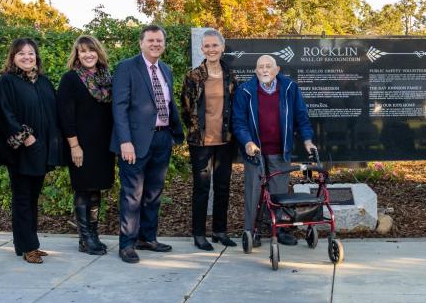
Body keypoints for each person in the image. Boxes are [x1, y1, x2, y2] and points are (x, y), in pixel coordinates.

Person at [110, 25, 184, 264]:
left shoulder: (166, 69)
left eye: (159, 40)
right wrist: (125, 141)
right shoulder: (126, 67)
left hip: (162, 138)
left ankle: (147, 238)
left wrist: (174, 134)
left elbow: (169, 103)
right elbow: (119, 107)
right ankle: (127, 245)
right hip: (134, 142)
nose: (156, 44)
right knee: (132, 195)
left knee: (154, 193)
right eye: (151, 40)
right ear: (141, 43)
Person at [0, 38, 64, 264]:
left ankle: (27, 243)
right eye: (21, 54)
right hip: (21, 150)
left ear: (36, 57)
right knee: (22, 198)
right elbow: (2, 113)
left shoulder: (42, 82)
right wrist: (26, 137)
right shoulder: (6, 82)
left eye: (31, 53)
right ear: (13, 57)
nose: (27, 57)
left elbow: (53, 111)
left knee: (32, 198)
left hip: (40, 149)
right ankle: (28, 246)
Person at [232, 54, 316, 247]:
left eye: (268, 66)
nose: (264, 70)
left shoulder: (289, 88)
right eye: (260, 66)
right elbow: (238, 122)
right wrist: (247, 142)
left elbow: (301, 116)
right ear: (255, 71)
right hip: (255, 153)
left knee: (279, 193)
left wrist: (307, 140)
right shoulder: (245, 91)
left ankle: (279, 230)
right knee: (255, 192)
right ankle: (252, 231)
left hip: (280, 151)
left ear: (277, 70)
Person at [57, 35, 115, 256]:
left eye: (91, 50)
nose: (88, 54)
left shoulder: (106, 77)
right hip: (81, 145)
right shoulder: (70, 79)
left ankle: (93, 234)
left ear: (98, 52)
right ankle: (85, 237)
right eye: (83, 51)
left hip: (103, 146)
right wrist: (74, 146)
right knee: (83, 189)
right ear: (77, 55)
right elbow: (65, 116)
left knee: (96, 189)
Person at [180, 29, 237, 251]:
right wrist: (197, 129)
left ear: (222, 48)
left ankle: (220, 231)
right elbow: (186, 109)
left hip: (225, 141)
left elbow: (234, 107)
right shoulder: (193, 76)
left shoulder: (230, 75)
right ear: (202, 49)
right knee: (201, 188)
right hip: (201, 143)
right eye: (207, 46)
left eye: (215, 45)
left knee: (223, 186)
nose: (211, 49)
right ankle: (199, 233)